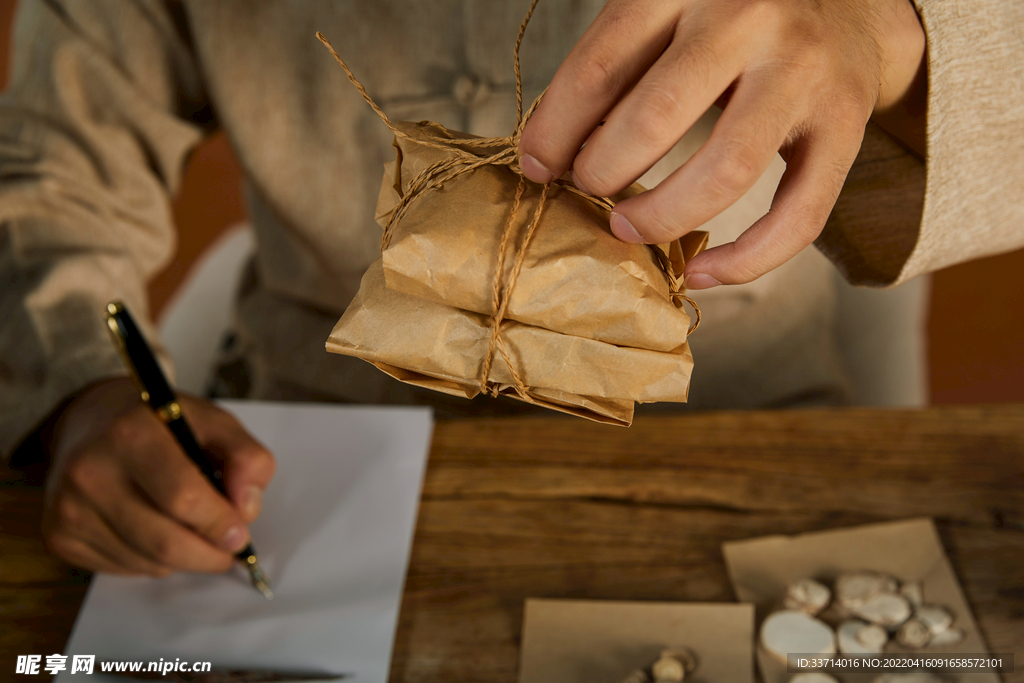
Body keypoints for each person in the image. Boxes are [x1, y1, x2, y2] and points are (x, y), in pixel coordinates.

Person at [0, 0, 1020, 578]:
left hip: (730, 451)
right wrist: (82, 393)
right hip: (295, 477)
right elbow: (50, 167)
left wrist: (888, 33)